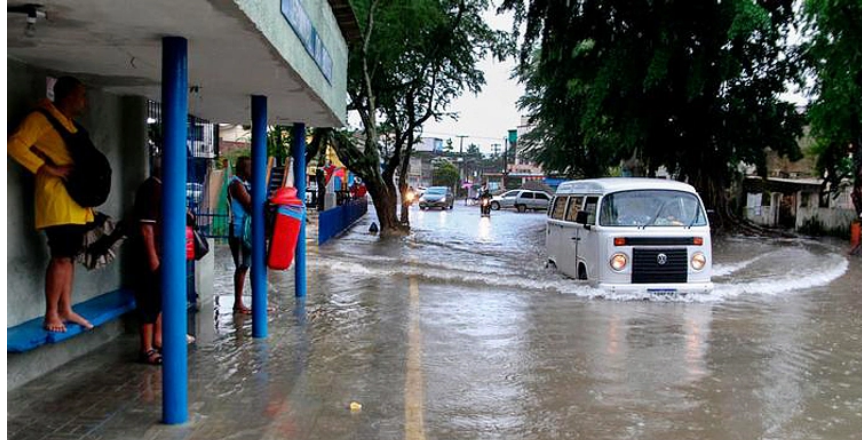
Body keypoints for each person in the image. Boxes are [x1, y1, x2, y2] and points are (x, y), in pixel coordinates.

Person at [7, 76, 94, 332]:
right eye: (81, 95)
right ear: (67, 95)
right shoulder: (40, 118)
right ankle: (51, 313)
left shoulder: (67, 123)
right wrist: (47, 169)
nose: (84, 101)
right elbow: (13, 144)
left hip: (76, 202)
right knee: (60, 258)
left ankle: (66, 308)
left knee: (70, 258)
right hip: (56, 200)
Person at [132, 157, 195, 365]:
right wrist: (152, 258)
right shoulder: (151, 189)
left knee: (158, 298)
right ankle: (146, 348)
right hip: (152, 255)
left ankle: (158, 339)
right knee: (148, 300)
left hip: (163, 253)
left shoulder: (162, 190)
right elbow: (146, 228)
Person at [228, 157, 253, 314]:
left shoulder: (243, 184)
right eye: (251, 168)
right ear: (244, 169)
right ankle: (238, 301)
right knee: (242, 266)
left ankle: (246, 301)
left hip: (246, 230)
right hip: (239, 231)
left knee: (247, 265)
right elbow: (250, 204)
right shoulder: (236, 184)